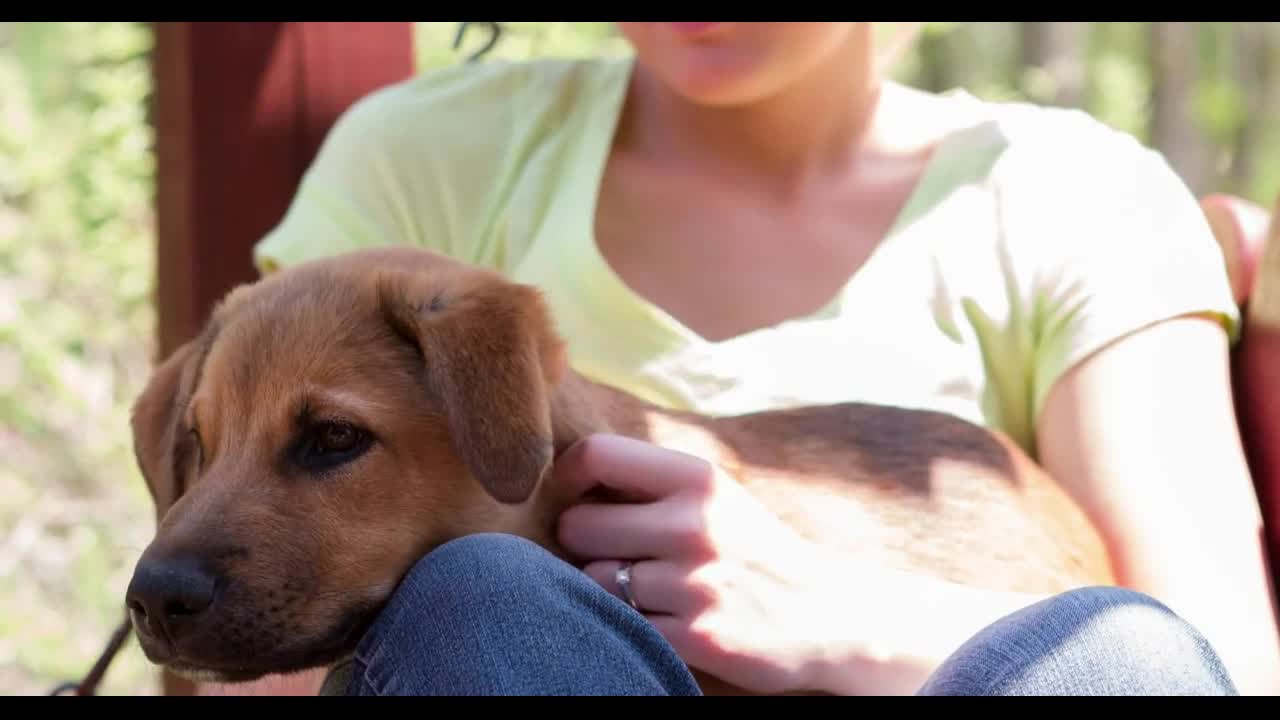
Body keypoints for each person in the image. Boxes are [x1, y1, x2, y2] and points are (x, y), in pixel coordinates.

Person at [241, 22, 1278, 695]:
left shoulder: (1073, 193)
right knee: (486, 600)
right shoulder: (428, 159)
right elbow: (266, 638)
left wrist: (835, 619)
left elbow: (1205, 669)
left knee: (1122, 653)